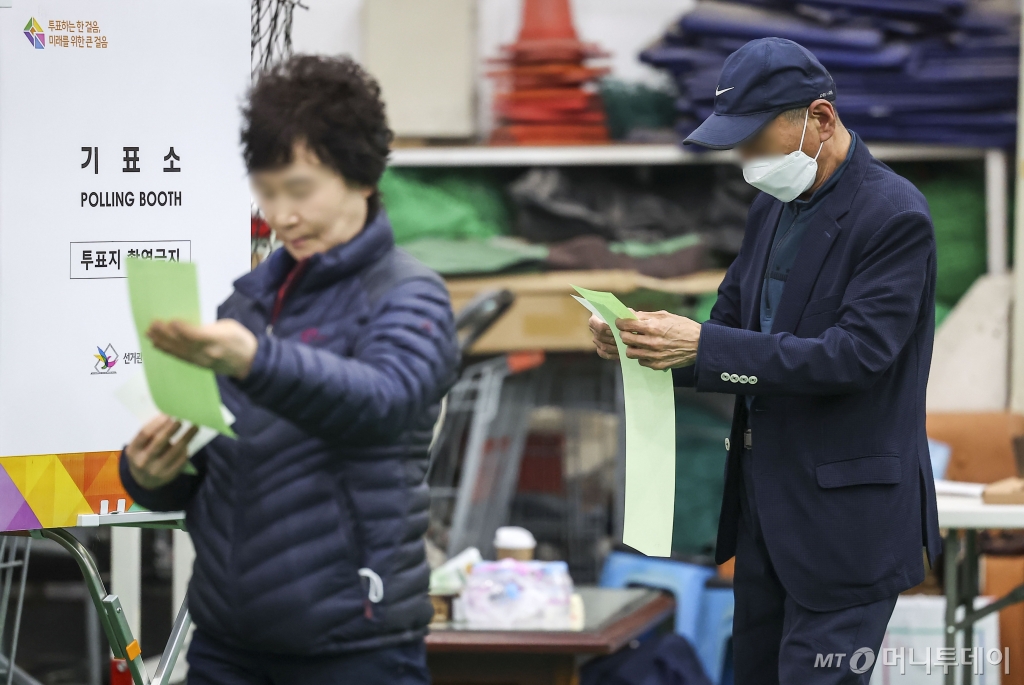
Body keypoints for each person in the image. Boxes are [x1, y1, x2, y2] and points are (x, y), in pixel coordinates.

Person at [588, 38, 940, 684]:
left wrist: (704, 345)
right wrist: (644, 345)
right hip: (766, 524)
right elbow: (725, 336)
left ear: (821, 119)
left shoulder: (894, 217)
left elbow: (853, 356)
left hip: (845, 533)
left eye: (754, 139)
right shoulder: (770, 210)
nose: (745, 159)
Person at [119, 54, 460, 684]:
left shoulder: (410, 297)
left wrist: (255, 358)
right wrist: (151, 475)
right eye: (267, 191)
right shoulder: (245, 303)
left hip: (355, 648)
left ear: (361, 176)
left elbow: (384, 401)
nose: (281, 215)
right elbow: (213, 464)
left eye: (299, 189)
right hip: (225, 642)